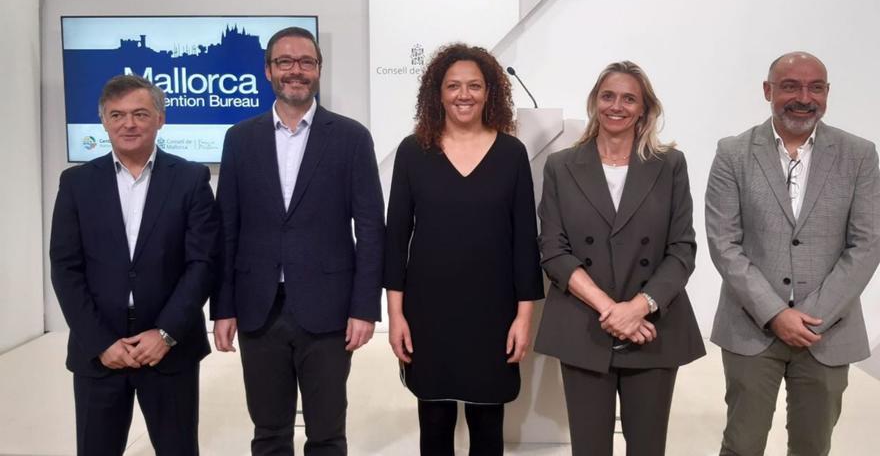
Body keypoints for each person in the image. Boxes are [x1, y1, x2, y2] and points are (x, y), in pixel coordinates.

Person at [211, 26, 385, 455]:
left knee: (326, 432)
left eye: (306, 62)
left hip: (329, 310)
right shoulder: (239, 139)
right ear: (268, 70)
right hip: (258, 308)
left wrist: (365, 308)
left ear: (319, 70)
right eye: (285, 62)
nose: (296, 71)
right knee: (268, 432)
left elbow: (370, 227)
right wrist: (224, 307)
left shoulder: (351, 138)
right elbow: (226, 229)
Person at [706, 51, 880, 456]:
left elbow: (867, 243)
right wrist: (775, 313)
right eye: (790, 86)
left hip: (828, 331)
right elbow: (723, 242)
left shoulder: (859, 155)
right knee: (742, 446)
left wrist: (814, 316)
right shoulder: (733, 153)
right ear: (768, 91)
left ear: (827, 94)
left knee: (812, 447)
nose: (804, 97)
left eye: (815, 87)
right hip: (752, 328)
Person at [534, 61, 705, 456]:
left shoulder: (669, 165)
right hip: (584, 323)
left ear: (644, 108)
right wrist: (613, 311)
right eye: (608, 96)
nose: (617, 106)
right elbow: (553, 249)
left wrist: (639, 307)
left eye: (630, 98)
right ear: (595, 102)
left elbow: (682, 249)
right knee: (589, 447)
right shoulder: (561, 166)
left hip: (653, 326)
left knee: (647, 446)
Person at [384, 43, 544, 456]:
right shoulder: (412, 152)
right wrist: (396, 315)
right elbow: (396, 238)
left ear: (490, 92)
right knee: (434, 424)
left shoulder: (511, 154)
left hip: (493, 314)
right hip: (428, 314)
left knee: (488, 427)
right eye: (453, 85)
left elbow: (526, 240)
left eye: (474, 85)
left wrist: (524, 318)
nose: (464, 94)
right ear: (437, 93)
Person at [49, 74, 220, 455]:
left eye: (140, 114)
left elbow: (203, 262)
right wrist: (100, 342)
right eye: (118, 115)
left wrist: (166, 333)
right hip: (99, 348)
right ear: (104, 121)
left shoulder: (191, 179)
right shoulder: (76, 183)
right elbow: (65, 267)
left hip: (169, 346)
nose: (129, 124)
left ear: (160, 119)